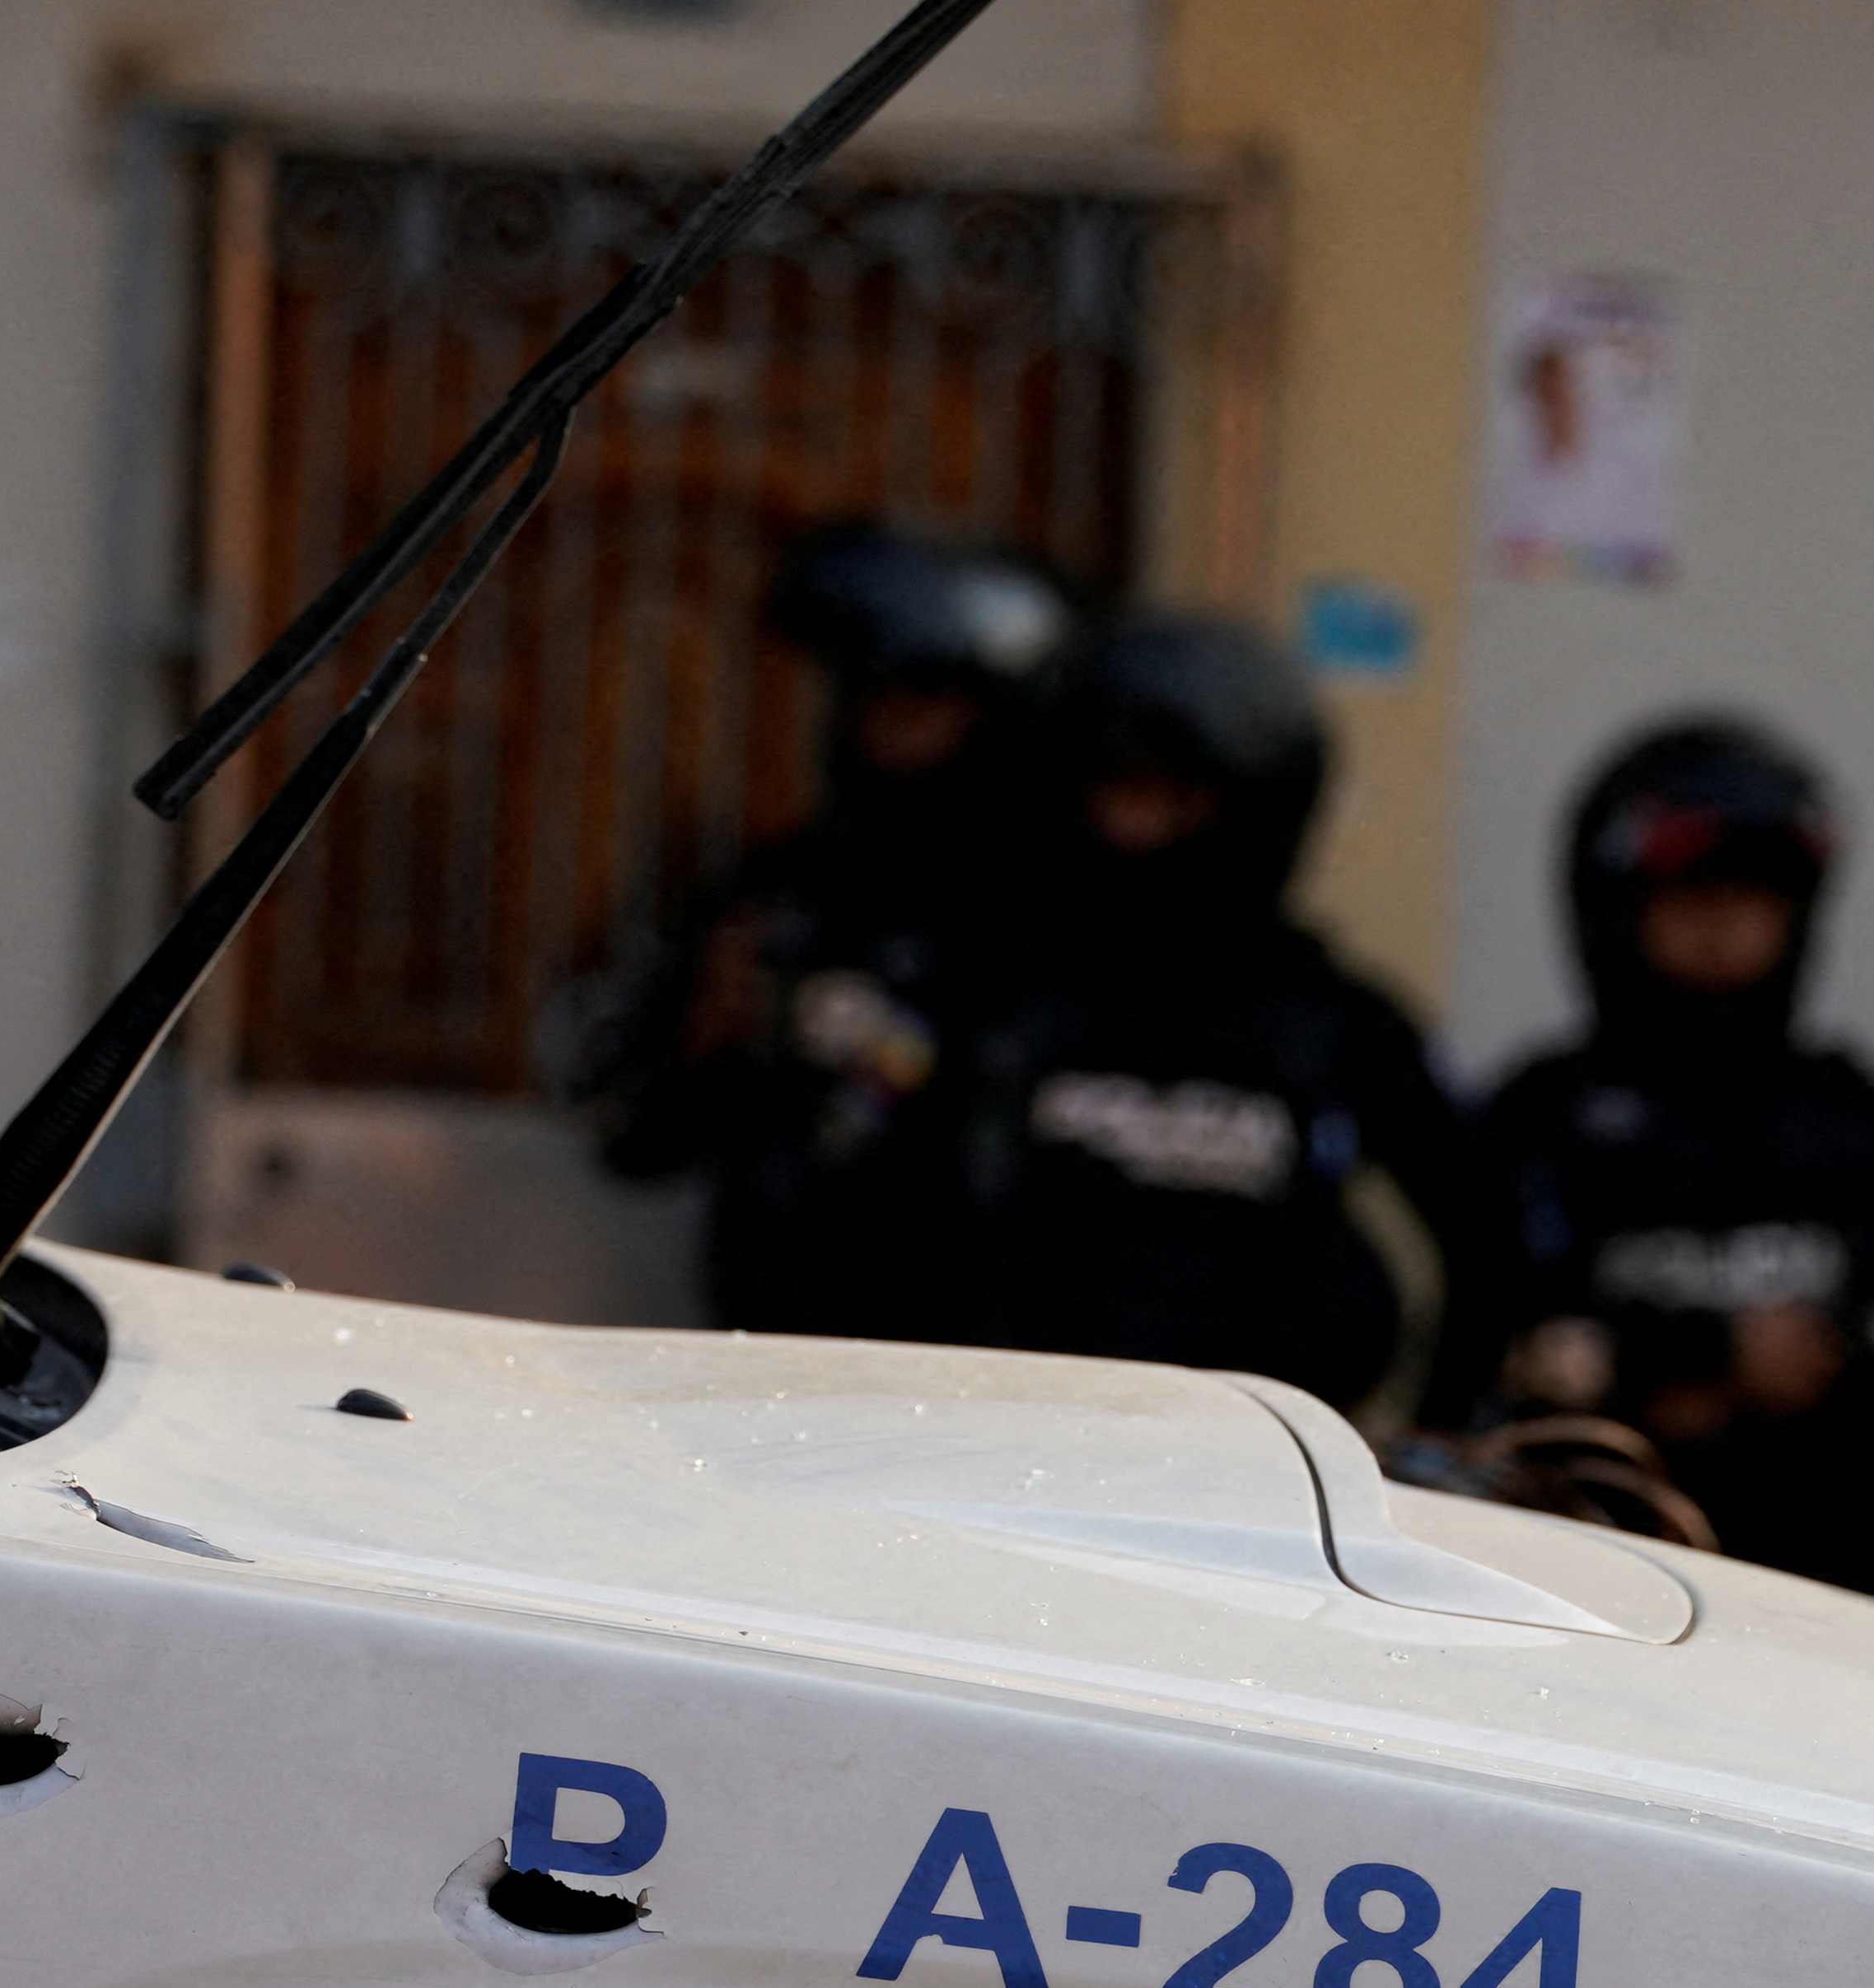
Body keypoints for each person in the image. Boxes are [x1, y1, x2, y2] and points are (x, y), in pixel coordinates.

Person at [1456, 717, 1874, 1592]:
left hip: (1826, 1594)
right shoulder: (1542, 1112)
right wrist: (1711, 1356)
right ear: (1616, 910)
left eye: (1756, 899)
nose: (1724, 928)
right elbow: (1503, 1343)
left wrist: (1826, 1351)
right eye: (1692, 897)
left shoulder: (1851, 1112)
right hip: (1582, 1585)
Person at [951, 610, 1479, 1412]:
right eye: (1117, 792)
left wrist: (1444, 1438)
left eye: (1170, 797)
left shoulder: (1334, 1022)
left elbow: (1487, 1236)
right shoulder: (997, 994)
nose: (1137, 828)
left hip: (1257, 1487)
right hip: (1007, 1451)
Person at [575, 523, 1064, 1339]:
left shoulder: (1060, 910)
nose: (888, 723)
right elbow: (638, 1138)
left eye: (923, 694)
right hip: (780, 1351)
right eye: (870, 691)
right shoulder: (779, 890)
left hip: (989, 1368)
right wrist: (703, 1028)